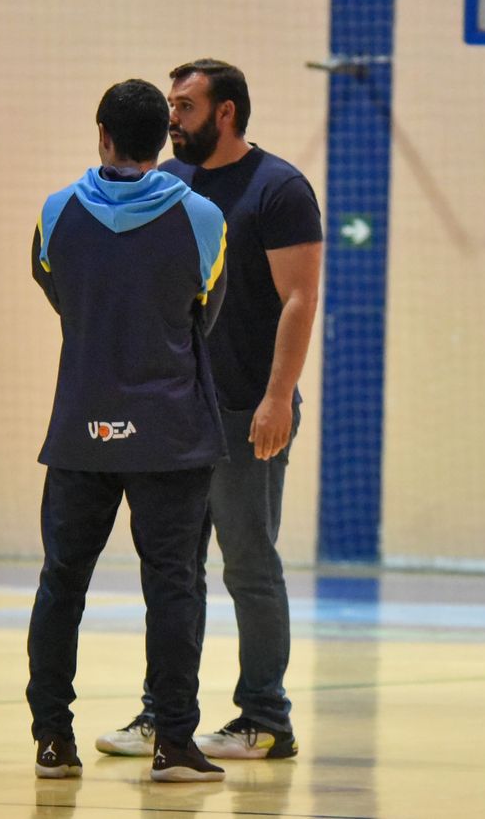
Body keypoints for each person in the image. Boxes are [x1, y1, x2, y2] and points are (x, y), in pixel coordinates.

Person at [96, 59, 322, 761]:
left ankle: (264, 717)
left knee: (248, 563)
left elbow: (299, 299)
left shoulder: (278, 189)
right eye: (170, 106)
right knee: (173, 569)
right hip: (178, 411)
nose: (172, 118)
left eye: (185, 106)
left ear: (225, 112)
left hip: (246, 408)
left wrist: (277, 396)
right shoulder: (170, 185)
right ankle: (164, 716)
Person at [26, 79, 229, 783]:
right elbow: (206, 305)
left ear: (102, 135)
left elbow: (53, 288)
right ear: (162, 139)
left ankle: (53, 738)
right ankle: (173, 742)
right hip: (169, 433)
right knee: (173, 587)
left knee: (62, 583)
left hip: (83, 426)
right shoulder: (203, 217)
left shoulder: (56, 212)